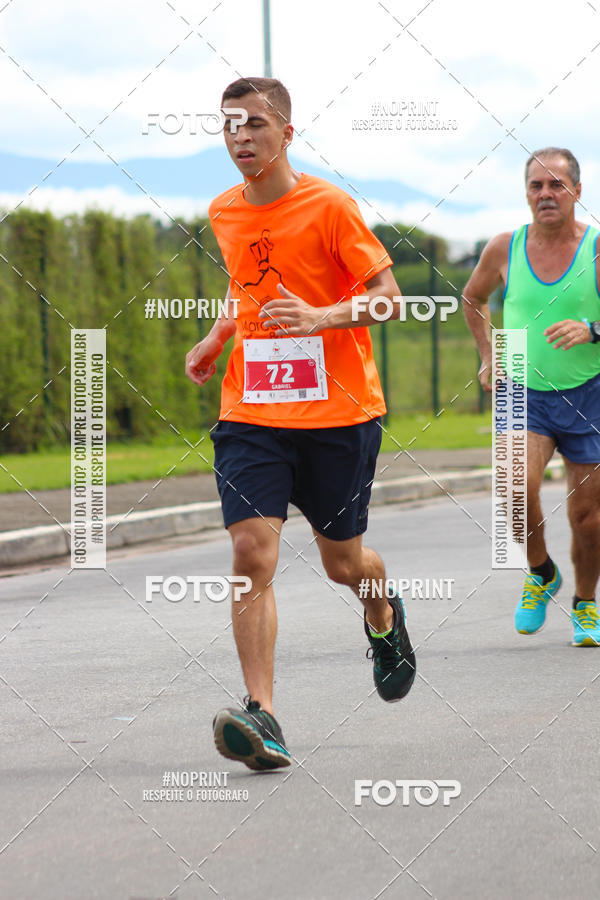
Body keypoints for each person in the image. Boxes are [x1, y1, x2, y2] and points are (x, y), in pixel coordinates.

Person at [185, 77, 416, 771]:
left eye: (254, 123)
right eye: (229, 125)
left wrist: (321, 318)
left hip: (339, 415)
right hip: (252, 412)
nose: (241, 137)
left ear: (287, 133)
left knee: (345, 564)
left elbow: (391, 301)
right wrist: (219, 336)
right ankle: (265, 716)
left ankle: (382, 613)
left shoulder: (329, 205)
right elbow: (244, 282)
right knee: (251, 553)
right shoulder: (224, 210)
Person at [463, 147, 600, 646]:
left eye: (556, 185)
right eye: (536, 186)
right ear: (526, 194)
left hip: (590, 393)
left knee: (588, 518)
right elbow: (472, 299)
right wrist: (489, 354)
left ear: (577, 192)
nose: (546, 194)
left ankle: (585, 603)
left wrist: (592, 329)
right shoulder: (505, 248)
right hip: (522, 383)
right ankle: (541, 572)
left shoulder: (596, 249)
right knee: (514, 486)